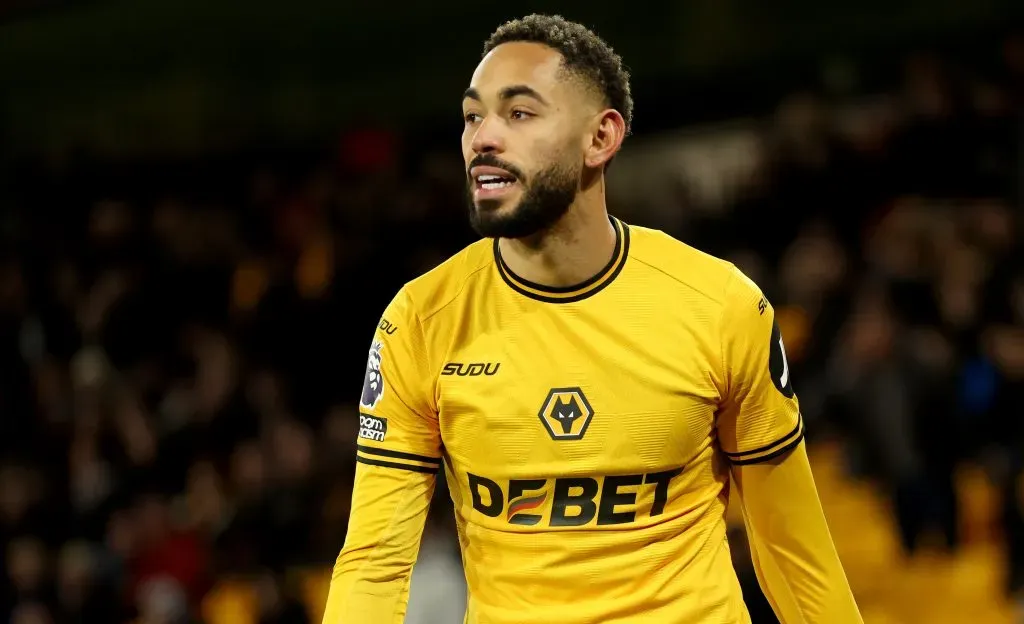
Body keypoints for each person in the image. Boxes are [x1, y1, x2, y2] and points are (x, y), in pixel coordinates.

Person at [322, 13, 862, 624]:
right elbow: (374, 563)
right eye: (473, 116)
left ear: (601, 138)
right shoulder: (419, 322)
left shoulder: (721, 306)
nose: (483, 138)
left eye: (518, 113)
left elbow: (793, 551)